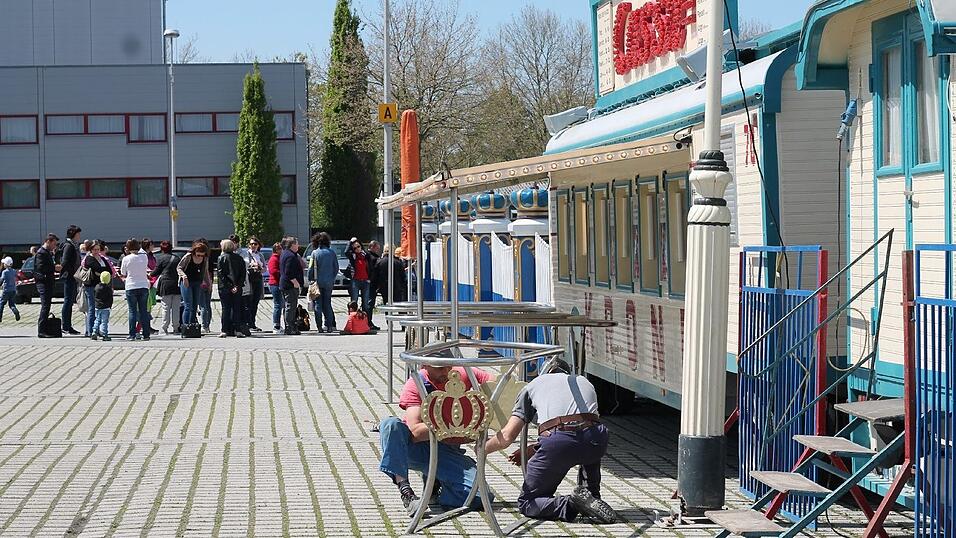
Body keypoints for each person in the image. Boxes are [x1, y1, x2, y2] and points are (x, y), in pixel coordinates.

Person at [484, 370, 618, 524]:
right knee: (589, 440)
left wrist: (483, 448)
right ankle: (591, 495)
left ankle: (572, 504)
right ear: (567, 372)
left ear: (546, 372)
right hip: (596, 438)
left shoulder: (533, 385)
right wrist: (536, 448)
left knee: (528, 503)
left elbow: (507, 437)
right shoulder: (584, 381)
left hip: (559, 441)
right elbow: (580, 427)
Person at [379, 364, 495, 516]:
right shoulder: (416, 382)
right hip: (416, 448)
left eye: (448, 366)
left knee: (480, 496)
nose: (446, 372)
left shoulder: (463, 373)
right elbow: (415, 431)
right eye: (440, 368)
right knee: (390, 425)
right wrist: (457, 425)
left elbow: (496, 384)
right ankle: (406, 491)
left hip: (447, 449)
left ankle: (439, 486)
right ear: (425, 365)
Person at [120, 238, 151, 341]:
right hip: (143, 285)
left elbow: (123, 273)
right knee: (144, 311)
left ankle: (132, 334)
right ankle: (146, 334)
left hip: (131, 286)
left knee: (132, 311)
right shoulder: (144, 257)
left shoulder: (126, 259)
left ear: (128, 248)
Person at [216, 239, 247, 338]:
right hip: (237, 287)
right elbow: (243, 273)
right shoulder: (239, 258)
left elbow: (221, 274)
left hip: (224, 287)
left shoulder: (221, 258)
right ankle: (237, 330)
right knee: (236, 308)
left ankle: (224, 330)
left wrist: (230, 286)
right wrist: (237, 286)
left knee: (226, 309)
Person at [81, 240, 112, 337]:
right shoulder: (89, 258)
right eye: (94, 249)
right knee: (92, 308)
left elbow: (109, 270)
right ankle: (91, 331)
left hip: (101, 286)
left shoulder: (102, 258)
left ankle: (97, 329)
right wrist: (102, 272)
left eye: (98, 249)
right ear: (90, 249)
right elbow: (97, 268)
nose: (97, 251)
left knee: (100, 308)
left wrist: (102, 272)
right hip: (91, 286)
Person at [177, 241, 210, 328]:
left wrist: (208, 283)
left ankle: (192, 325)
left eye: (202, 255)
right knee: (188, 305)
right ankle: (186, 325)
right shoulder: (188, 256)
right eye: (198, 255)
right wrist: (184, 276)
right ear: (194, 252)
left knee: (195, 305)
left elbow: (205, 272)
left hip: (197, 282)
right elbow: (179, 268)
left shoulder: (205, 259)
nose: (200, 257)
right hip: (186, 282)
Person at [310, 232, 338, 333]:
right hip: (329, 282)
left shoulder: (315, 253)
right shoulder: (332, 253)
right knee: (328, 304)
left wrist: (310, 279)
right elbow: (336, 268)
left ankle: (319, 327)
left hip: (317, 282)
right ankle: (329, 326)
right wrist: (332, 278)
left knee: (318, 304)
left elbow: (310, 268)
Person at [151, 241, 182, 334]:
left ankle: (164, 327)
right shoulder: (177, 258)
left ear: (161, 249)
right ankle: (176, 327)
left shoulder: (160, 259)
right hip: (176, 285)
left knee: (166, 307)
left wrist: (149, 274)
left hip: (165, 284)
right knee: (176, 308)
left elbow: (156, 271)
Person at [35, 233, 61, 338]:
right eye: (54, 244)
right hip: (43, 282)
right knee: (45, 306)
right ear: (48, 241)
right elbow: (41, 268)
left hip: (48, 282)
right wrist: (54, 268)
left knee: (47, 305)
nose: (55, 246)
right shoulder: (41, 253)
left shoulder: (47, 252)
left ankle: (45, 329)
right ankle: (41, 330)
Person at [59, 225, 82, 335]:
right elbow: (65, 262)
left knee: (70, 301)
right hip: (69, 277)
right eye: (78, 234)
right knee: (68, 301)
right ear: (73, 234)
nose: (79, 236)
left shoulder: (73, 245)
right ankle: (66, 326)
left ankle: (68, 325)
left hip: (72, 277)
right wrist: (72, 273)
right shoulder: (69, 246)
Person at [279, 236, 303, 335]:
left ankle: (289, 326)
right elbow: (288, 272)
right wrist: (295, 282)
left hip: (286, 284)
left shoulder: (286, 253)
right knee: (291, 306)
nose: (298, 245)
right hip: (290, 285)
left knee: (288, 306)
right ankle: (290, 327)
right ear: (292, 245)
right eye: (297, 243)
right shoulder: (290, 256)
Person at [244, 236, 266, 331]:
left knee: (255, 302)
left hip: (258, 279)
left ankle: (252, 323)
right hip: (249, 279)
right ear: (249, 245)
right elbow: (245, 265)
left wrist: (260, 269)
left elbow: (265, 268)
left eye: (255, 244)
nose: (253, 246)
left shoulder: (260, 255)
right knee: (249, 302)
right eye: (251, 244)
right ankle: (248, 323)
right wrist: (252, 266)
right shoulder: (246, 254)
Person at [197, 237, 214, 333]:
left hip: (201, 283)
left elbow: (205, 272)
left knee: (203, 306)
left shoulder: (200, 258)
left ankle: (204, 326)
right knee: (207, 305)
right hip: (208, 282)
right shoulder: (208, 257)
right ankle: (207, 326)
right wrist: (210, 283)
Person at [142, 238, 158, 334]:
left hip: (153, 282)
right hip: (147, 282)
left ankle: (147, 325)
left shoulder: (151, 256)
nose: (153, 247)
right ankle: (144, 326)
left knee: (150, 306)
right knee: (146, 306)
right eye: (152, 245)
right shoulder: (143, 256)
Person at [91, 271, 113, 341]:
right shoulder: (108, 289)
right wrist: (110, 306)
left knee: (97, 319)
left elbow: (94, 296)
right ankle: (104, 334)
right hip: (105, 307)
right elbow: (110, 298)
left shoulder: (96, 287)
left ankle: (94, 331)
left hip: (97, 306)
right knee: (104, 321)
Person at [267, 242, 284, 334]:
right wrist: (283, 274)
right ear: (276, 250)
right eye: (280, 249)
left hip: (279, 284)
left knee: (281, 304)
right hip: (275, 284)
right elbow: (273, 271)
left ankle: (278, 324)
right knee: (278, 305)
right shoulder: (274, 258)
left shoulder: (280, 258)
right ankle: (276, 325)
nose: (282, 250)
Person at [0, 257, 20, 323]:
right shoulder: (14, 271)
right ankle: (15, 311)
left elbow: (2, 280)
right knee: (12, 304)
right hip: (13, 290)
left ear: (6, 264)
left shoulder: (4, 272)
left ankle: (0, 317)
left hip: (6, 290)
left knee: (1, 303)